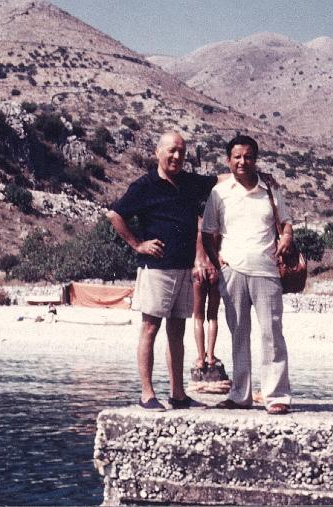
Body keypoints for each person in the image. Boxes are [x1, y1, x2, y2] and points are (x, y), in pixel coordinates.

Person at [106, 132, 226, 411]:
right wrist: (137, 244)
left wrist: (255, 174)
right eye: (171, 151)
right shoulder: (145, 185)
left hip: (184, 266)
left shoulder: (188, 182)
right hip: (156, 268)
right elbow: (115, 214)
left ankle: (178, 394)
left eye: (182, 152)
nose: (177, 157)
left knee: (177, 330)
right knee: (150, 327)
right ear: (157, 152)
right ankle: (147, 393)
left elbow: (219, 180)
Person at [202, 135, 293, 415]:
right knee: (238, 334)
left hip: (266, 271)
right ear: (229, 160)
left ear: (256, 159)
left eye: (248, 157)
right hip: (233, 272)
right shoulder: (219, 193)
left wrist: (287, 237)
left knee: (271, 333)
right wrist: (218, 262)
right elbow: (207, 232)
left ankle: (276, 396)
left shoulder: (270, 191)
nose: (243, 162)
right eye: (237, 157)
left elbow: (286, 223)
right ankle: (240, 394)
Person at [192, 218, 221, 370]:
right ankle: (210, 356)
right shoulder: (218, 224)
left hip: (198, 269)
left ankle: (200, 357)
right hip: (214, 270)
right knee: (213, 316)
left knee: (198, 317)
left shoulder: (193, 223)